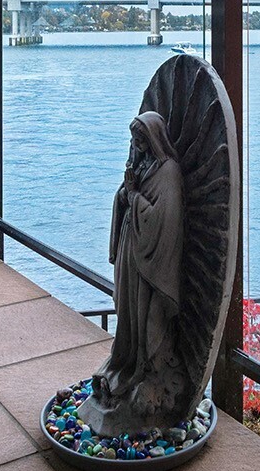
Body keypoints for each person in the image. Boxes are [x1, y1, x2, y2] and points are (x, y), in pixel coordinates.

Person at [80, 111, 188, 435]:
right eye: (134, 140)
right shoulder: (141, 165)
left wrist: (135, 196)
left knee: (141, 314)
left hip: (150, 261)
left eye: (141, 140)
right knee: (125, 310)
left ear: (153, 139)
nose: (136, 145)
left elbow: (164, 220)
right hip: (132, 249)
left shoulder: (168, 172)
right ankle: (123, 359)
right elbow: (127, 198)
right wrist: (125, 194)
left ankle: (142, 367)